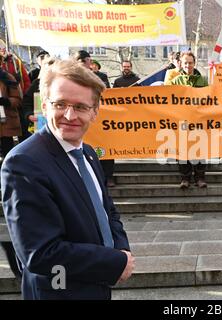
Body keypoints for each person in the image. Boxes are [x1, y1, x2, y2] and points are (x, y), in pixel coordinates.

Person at [1, 58, 134, 300]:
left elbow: (107, 212)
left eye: (81, 107)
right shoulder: (23, 163)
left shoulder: (90, 154)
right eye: (60, 104)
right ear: (46, 106)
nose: (69, 115)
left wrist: (122, 248)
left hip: (95, 286)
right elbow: (40, 254)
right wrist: (114, 262)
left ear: (95, 112)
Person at [75, 51, 115, 187]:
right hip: (81, 116)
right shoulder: (71, 77)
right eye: (80, 61)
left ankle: (108, 175)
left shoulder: (100, 77)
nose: (85, 63)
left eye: (85, 61)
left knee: (105, 144)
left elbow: (107, 94)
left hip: (100, 116)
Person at [170, 51, 208, 189]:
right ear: (181, 64)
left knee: (200, 150)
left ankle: (200, 177)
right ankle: (185, 178)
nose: (188, 65)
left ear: (194, 63)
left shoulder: (203, 81)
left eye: (190, 62)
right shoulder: (174, 82)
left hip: (199, 122)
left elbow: (209, 100)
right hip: (182, 122)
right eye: (185, 63)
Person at [0, 68, 23, 281]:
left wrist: (5, 101)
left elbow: (18, 100)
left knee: (9, 157)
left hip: (5, 123)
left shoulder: (8, 78)